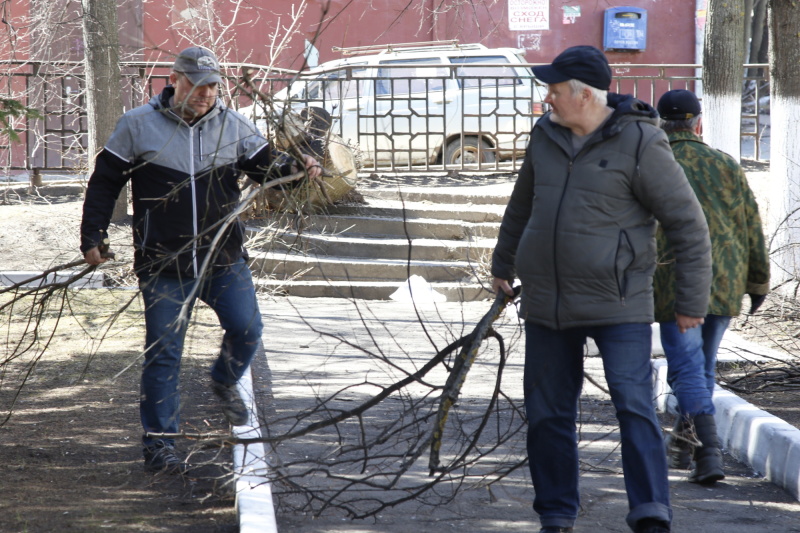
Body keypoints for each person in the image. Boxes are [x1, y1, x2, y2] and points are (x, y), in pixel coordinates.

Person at [491, 46, 712, 533]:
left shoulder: (639, 141)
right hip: (548, 300)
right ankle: (555, 512)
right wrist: (503, 262)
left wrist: (691, 302)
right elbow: (521, 205)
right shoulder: (544, 136)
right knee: (547, 414)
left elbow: (688, 225)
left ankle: (651, 510)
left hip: (620, 301)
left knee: (634, 408)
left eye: (555, 89)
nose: (547, 98)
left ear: (585, 95)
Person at [80, 46, 322, 473]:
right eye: (198, 85)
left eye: (213, 86)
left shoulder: (234, 126)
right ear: (176, 79)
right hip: (162, 263)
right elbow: (104, 182)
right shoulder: (138, 126)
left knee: (247, 328)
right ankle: (160, 443)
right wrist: (93, 235)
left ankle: (225, 381)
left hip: (222, 259)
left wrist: (301, 164)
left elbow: (271, 172)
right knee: (164, 353)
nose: (207, 94)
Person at [653, 89, 770, 484]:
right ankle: (687, 443)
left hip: (674, 283)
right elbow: (751, 222)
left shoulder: (654, 161)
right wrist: (757, 281)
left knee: (686, 369)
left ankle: (709, 453)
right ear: (697, 123)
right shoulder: (725, 164)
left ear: (660, 123)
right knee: (699, 369)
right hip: (724, 281)